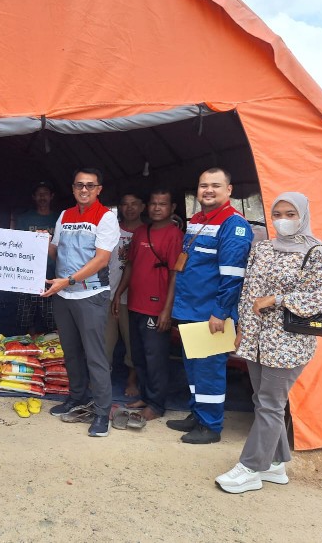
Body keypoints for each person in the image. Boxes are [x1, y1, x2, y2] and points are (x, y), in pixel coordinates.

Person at [215, 193, 322, 493]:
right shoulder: (263, 248)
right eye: (278, 213)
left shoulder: (316, 252)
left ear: (303, 215)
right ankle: (275, 464)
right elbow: (247, 291)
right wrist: (242, 327)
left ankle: (251, 467)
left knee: (269, 403)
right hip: (256, 338)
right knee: (264, 402)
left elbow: (321, 298)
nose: (283, 219)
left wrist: (278, 299)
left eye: (290, 213)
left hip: (288, 343)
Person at [168, 168, 253, 444]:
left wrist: (221, 312)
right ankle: (198, 414)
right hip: (190, 309)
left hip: (210, 314)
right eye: (203, 185)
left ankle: (211, 426)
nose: (208, 190)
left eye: (215, 185)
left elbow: (232, 276)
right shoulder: (198, 219)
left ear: (229, 190)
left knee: (209, 371)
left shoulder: (234, 225)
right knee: (193, 369)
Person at [44, 168, 119, 437]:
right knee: (71, 351)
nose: (84, 190)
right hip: (63, 294)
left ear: (99, 189)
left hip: (90, 293)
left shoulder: (106, 218)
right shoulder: (65, 215)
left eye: (90, 185)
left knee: (95, 356)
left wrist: (70, 280)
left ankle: (102, 413)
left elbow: (101, 259)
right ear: (73, 188)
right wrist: (38, 243)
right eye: (79, 185)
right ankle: (77, 398)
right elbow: (55, 250)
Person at [113, 189, 183, 421]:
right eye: (153, 203)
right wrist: (119, 294)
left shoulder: (174, 235)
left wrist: (167, 310)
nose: (157, 208)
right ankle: (145, 395)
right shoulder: (141, 231)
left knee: (156, 358)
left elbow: (175, 274)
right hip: (134, 303)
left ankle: (157, 404)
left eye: (162, 204)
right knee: (140, 355)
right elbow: (131, 266)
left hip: (156, 307)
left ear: (172, 208)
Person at [106, 192, 144, 397]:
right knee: (105, 341)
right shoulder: (111, 231)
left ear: (142, 207)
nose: (129, 208)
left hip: (135, 298)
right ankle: (102, 379)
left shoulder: (147, 232)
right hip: (110, 293)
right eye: (125, 204)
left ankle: (132, 380)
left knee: (133, 342)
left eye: (134, 204)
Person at [15, 181, 61, 334]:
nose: (42, 197)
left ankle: (53, 355)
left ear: (51, 196)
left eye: (46, 193)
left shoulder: (60, 219)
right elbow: (17, 245)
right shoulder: (23, 219)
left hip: (52, 276)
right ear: (34, 197)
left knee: (52, 321)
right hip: (28, 276)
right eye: (39, 194)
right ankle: (28, 353)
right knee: (25, 321)